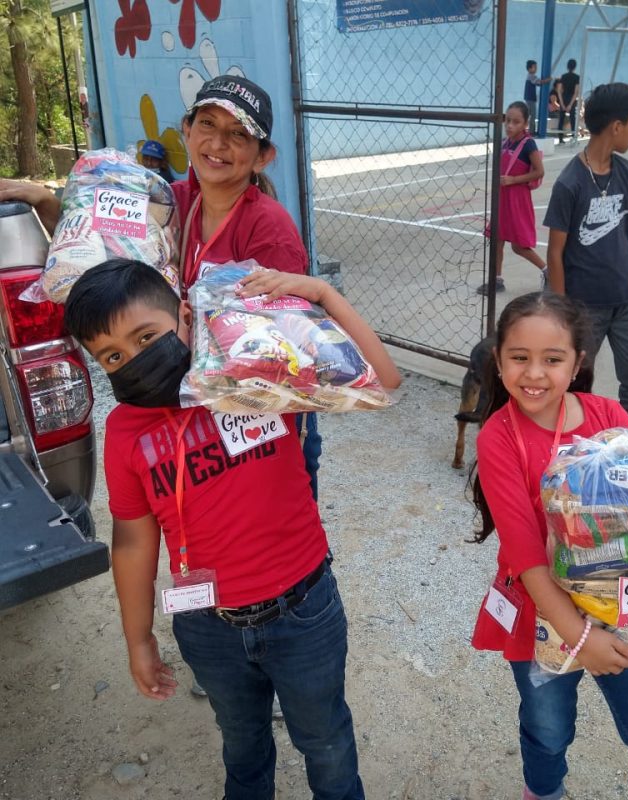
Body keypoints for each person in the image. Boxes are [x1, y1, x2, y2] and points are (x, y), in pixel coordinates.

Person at [63, 257, 402, 800]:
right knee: (242, 744)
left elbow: (383, 380)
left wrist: (320, 294)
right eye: (113, 356)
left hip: (305, 612)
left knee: (326, 742)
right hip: (208, 627)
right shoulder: (125, 431)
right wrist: (138, 638)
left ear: (185, 315)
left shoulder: (258, 375)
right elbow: (132, 541)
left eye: (146, 336)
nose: (135, 360)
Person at [0, 74, 323, 499]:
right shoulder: (172, 200)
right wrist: (44, 200)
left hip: (260, 417)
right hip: (193, 404)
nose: (218, 143)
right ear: (187, 130)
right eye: (207, 124)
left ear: (262, 157)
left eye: (238, 134)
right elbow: (101, 248)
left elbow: (285, 355)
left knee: (273, 517)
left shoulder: (268, 230)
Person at [469, 291, 628, 800]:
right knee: (547, 730)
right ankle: (543, 791)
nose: (534, 373)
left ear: (577, 364)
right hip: (543, 617)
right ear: (499, 361)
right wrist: (580, 639)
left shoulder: (609, 416)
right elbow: (529, 559)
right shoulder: (498, 438)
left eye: (552, 359)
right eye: (519, 357)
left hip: (625, 612)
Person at [544, 83, 628, 428]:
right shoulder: (570, 182)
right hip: (584, 308)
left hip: (627, 303)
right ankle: (572, 437)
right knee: (576, 380)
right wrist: (563, 314)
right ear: (617, 126)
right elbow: (555, 253)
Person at [478, 101, 546, 295]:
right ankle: (497, 280)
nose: (510, 126)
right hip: (503, 197)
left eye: (516, 122)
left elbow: (539, 171)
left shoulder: (528, 144)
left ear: (525, 124)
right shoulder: (506, 142)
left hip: (517, 199)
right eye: (508, 120)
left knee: (518, 246)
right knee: (497, 239)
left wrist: (514, 180)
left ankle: (547, 270)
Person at [523, 60, 551, 135]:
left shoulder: (530, 76)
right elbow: (539, 82)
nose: (536, 69)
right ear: (529, 69)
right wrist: (548, 80)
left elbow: (538, 83)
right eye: (534, 67)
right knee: (532, 115)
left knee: (530, 115)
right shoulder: (531, 76)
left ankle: (530, 130)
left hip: (529, 98)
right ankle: (531, 131)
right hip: (530, 99)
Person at [557, 59, 580, 144]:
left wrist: (562, 103)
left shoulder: (563, 76)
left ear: (567, 66)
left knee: (561, 119)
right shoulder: (577, 77)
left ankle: (560, 138)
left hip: (564, 97)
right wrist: (570, 104)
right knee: (572, 119)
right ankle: (574, 137)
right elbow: (576, 92)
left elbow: (559, 90)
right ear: (575, 67)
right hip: (571, 98)